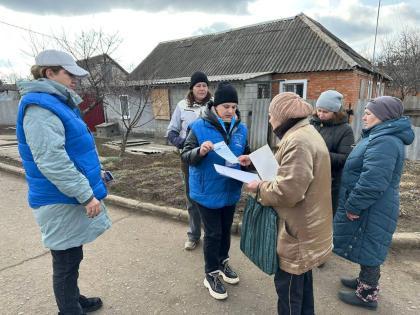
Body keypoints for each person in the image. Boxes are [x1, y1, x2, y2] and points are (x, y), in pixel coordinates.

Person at [16, 49, 112, 315]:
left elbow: (75, 149)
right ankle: (69, 310)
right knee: (66, 260)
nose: (75, 80)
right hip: (57, 198)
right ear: (50, 73)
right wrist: (86, 194)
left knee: (72, 255)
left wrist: (97, 174)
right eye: (69, 74)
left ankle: (73, 300)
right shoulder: (39, 107)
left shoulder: (57, 102)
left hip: (65, 195)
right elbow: (51, 160)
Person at [244, 92, 333, 314]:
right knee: (302, 289)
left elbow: (287, 192)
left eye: (271, 115)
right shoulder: (305, 132)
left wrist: (258, 188)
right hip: (307, 227)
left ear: (283, 116)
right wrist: (254, 160)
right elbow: (287, 170)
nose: (269, 120)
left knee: (290, 292)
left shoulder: (298, 141)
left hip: (297, 232)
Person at [333, 96, 414, 310]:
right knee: (365, 242)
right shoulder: (380, 135)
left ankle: (367, 295)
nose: (364, 116)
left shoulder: (385, 140)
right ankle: (364, 281)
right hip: (375, 204)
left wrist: (354, 205)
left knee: (370, 245)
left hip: (374, 205)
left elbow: (373, 181)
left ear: (384, 116)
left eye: (369, 113)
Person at [181, 82, 249, 300]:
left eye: (233, 106)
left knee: (226, 229)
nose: (230, 111)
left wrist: (248, 161)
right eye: (226, 106)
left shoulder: (241, 128)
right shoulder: (199, 127)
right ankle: (210, 274)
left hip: (230, 188)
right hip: (206, 191)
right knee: (213, 233)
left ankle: (223, 261)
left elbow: (245, 153)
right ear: (216, 106)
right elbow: (185, 155)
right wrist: (200, 151)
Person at [166, 71, 212, 250]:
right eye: (198, 85)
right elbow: (171, 132)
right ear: (192, 88)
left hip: (210, 158)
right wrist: (183, 144)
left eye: (204, 85)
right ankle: (194, 235)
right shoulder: (182, 106)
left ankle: (211, 234)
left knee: (209, 196)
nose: (201, 88)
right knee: (191, 197)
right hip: (189, 159)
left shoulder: (214, 104)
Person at [310, 90, 354, 216]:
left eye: (325, 112)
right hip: (309, 178)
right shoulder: (312, 124)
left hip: (330, 182)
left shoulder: (345, 130)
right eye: (319, 110)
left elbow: (345, 158)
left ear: (335, 112)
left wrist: (319, 155)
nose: (321, 114)